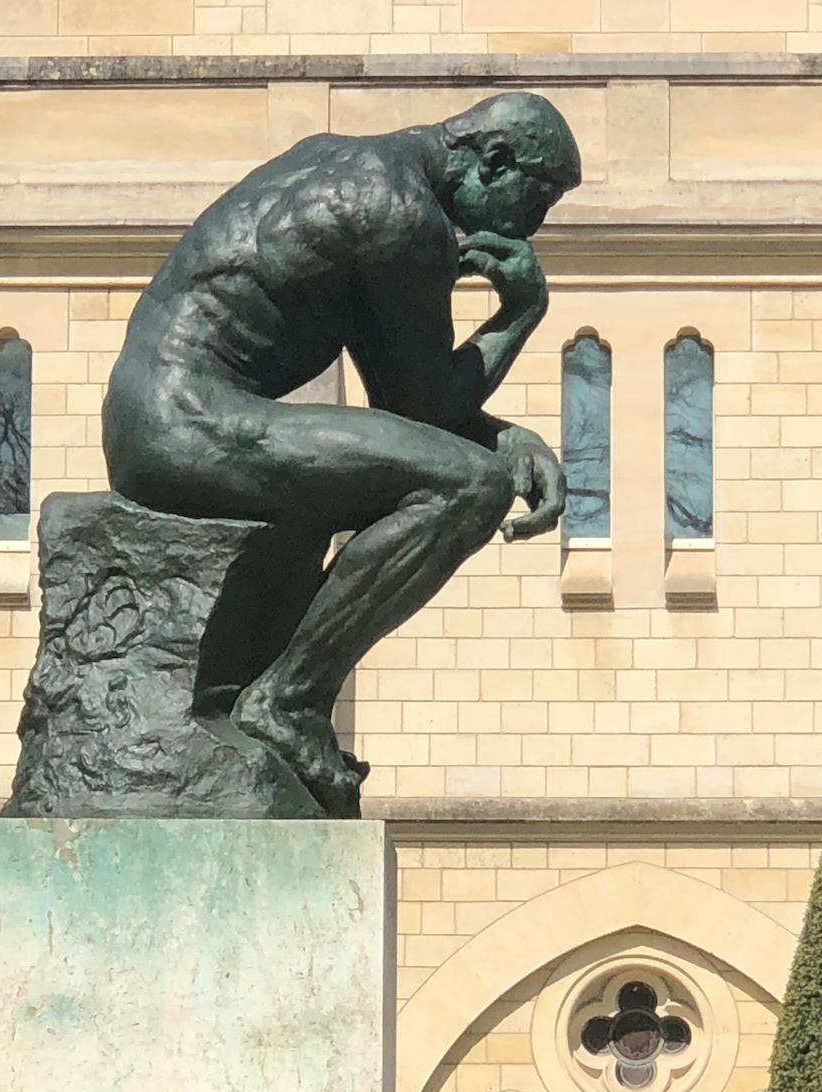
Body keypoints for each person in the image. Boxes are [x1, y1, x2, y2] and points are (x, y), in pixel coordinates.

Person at [102, 91, 581, 814]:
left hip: (155, 414)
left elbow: (411, 402)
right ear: (494, 161)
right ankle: (288, 701)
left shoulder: (345, 161)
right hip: (188, 421)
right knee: (467, 490)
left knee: (458, 471)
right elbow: (419, 409)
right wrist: (520, 311)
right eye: (536, 201)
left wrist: (503, 434)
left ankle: (280, 692)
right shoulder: (401, 215)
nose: (532, 227)